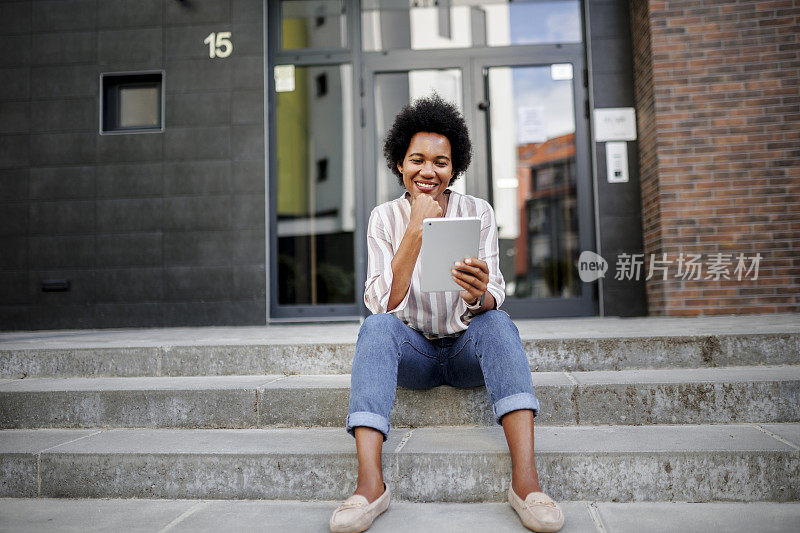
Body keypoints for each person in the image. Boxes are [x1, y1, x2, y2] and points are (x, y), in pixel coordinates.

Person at [329, 94, 564, 533]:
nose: (428, 172)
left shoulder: (478, 212)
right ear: (399, 163)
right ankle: (369, 485)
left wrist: (478, 296)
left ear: (454, 168)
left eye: (441, 162)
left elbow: (496, 293)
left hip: (464, 350)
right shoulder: (384, 218)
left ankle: (527, 483)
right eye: (417, 160)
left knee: (497, 321)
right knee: (376, 327)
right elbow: (381, 301)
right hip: (413, 353)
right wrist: (415, 230)